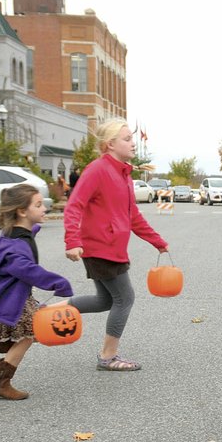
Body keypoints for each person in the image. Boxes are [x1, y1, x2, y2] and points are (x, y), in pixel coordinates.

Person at [62, 118, 169, 371]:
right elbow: (74, 205)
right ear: (110, 144)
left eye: (132, 138)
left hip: (113, 248)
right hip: (100, 247)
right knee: (125, 298)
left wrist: (157, 241)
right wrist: (72, 241)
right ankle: (108, 356)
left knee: (105, 301)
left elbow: (132, 216)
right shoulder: (97, 170)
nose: (133, 144)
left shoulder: (123, 174)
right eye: (127, 139)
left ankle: (48, 312)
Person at [0, 184, 73, 400]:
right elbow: (26, 269)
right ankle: (0, 384)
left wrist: (31, 230)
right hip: (15, 301)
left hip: (9, 299)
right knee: (27, 337)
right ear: (22, 211)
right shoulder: (17, 246)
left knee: (22, 336)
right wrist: (58, 282)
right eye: (39, 205)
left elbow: (20, 246)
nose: (45, 208)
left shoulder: (15, 236)